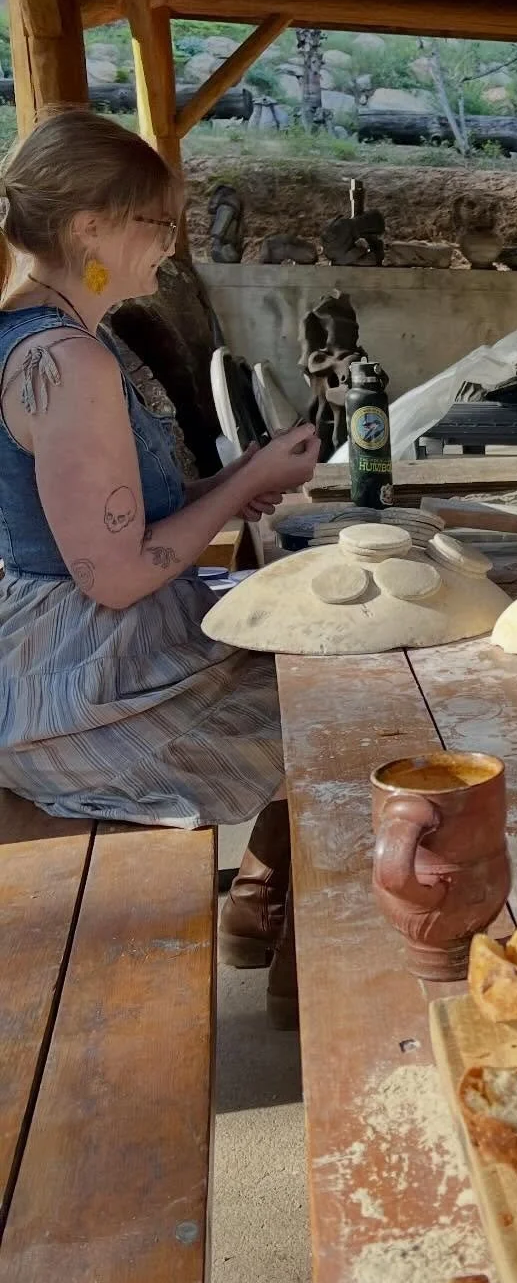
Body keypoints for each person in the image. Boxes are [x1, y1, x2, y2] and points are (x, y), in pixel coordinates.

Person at [0, 109, 321, 1011]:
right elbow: (116, 574)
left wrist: (222, 488)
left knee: (325, 667)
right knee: (345, 714)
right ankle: (311, 976)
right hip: (77, 683)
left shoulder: (50, 337)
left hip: (69, 646)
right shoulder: (65, 358)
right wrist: (244, 478)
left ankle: (261, 911)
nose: (168, 248)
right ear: (88, 227)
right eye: (156, 224)